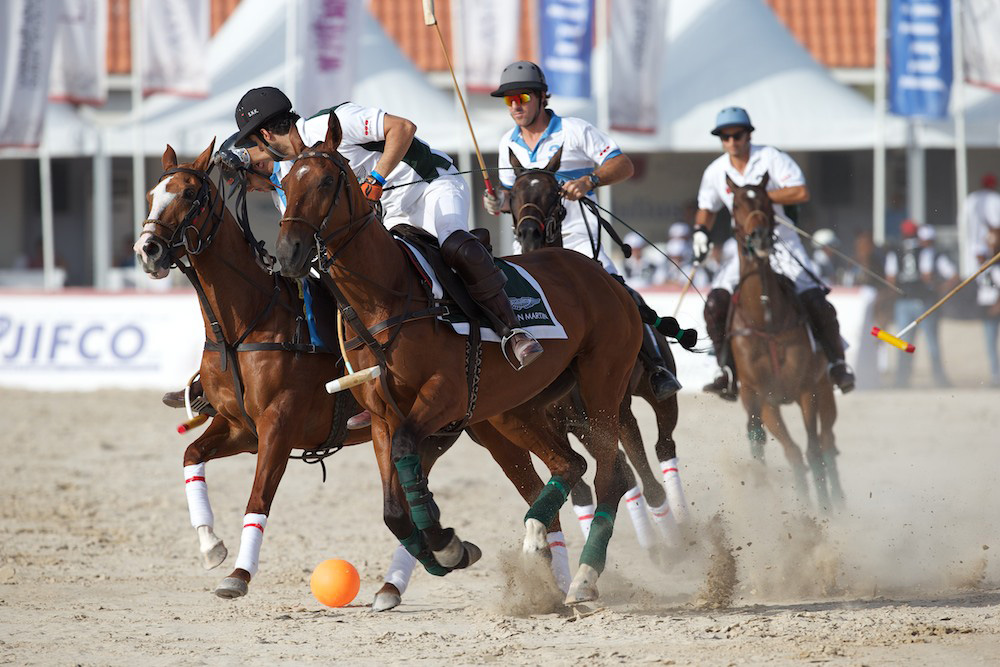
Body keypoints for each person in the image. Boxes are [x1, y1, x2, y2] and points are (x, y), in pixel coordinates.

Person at [482, 61, 679, 400]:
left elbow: (623, 164)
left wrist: (591, 179)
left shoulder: (574, 130)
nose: (515, 105)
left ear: (543, 97)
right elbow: (510, 198)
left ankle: (656, 364)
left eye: (523, 96)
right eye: (508, 99)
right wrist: (497, 201)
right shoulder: (507, 144)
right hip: (531, 245)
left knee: (620, 293)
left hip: (579, 237)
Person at [694, 107, 855, 400]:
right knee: (715, 302)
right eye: (725, 137)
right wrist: (700, 232)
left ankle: (837, 363)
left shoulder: (771, 158)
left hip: (782, 242)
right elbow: (707, 207)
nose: (731, 142)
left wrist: (755, 197)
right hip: (744, 250)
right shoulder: (716, 171)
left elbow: (799, 191)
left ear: (749, 134)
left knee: (814, 298)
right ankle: (724, 370)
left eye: (737, 135)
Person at [884, 221, 957, 387]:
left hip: (903, 303)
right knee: (932, 342)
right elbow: (931, 275)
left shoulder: (894, 252)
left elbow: (891, 279)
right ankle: (940, 380)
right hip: (925, 302)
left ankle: (901, 381)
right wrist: (939, 289)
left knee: (903, 344)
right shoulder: (927, 251)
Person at [967, 173, 1000, 272]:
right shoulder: (994, 198)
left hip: (970, 250)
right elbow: (996, 227)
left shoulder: (970, 199)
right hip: (987, 251)